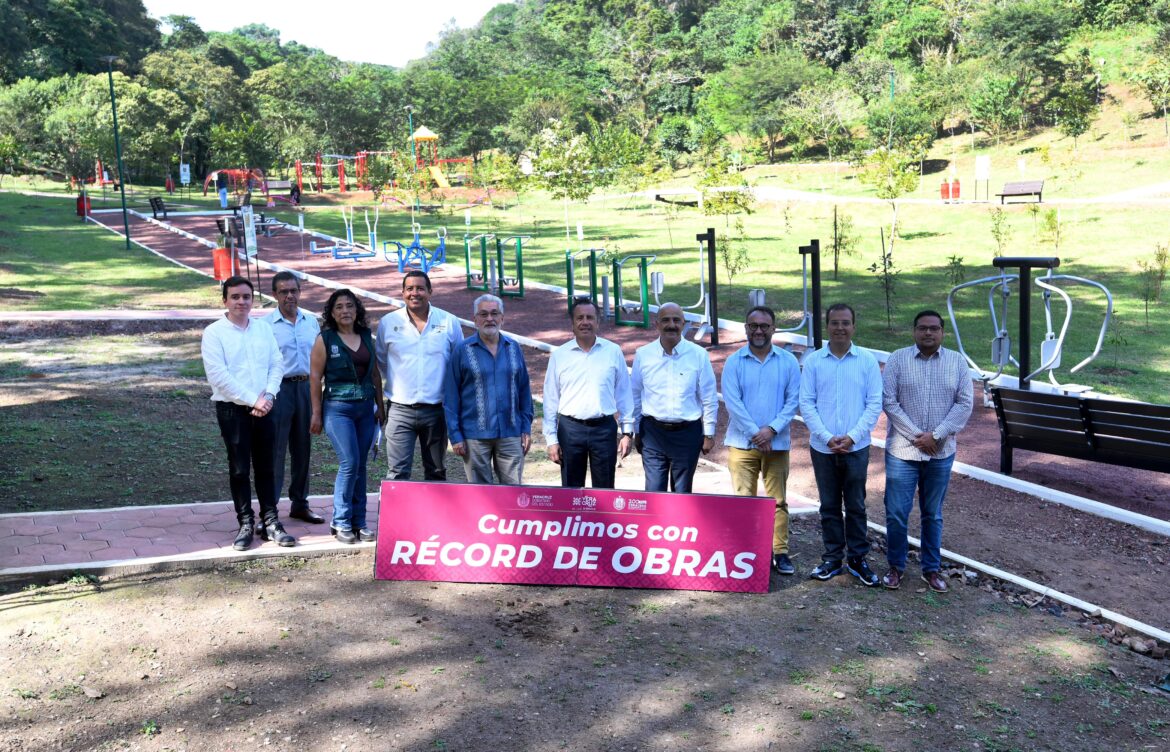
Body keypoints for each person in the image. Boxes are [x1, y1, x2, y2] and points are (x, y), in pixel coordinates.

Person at [881, 310, 974, 593]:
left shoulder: (957, 362)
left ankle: (931, 569)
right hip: (903, 451)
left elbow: (964, 403)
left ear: (942, 332)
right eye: (922, 328)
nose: (928, 333)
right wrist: (918, 437)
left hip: (941, 453)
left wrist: (936, 435)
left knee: (932, 513)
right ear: (914, 331)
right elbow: (889, 401)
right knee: (896, 512)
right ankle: (895, 566)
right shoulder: (898, 359)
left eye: (934, 329)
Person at [200, 275, 295, 551]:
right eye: (235, 297)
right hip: (233, 411)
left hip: (266, 408)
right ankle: (245, 522)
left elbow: (277, 363)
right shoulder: (214, 333)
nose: (241, 301)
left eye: (246, 297)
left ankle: (271, 521)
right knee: (240, 468)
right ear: (225, 300)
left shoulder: (263, 329)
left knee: (267, 466)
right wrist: (253, 399)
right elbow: (219, 376)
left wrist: (268, 395)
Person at [799, 303, 883, 586]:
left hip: (856, 448)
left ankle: (858, 558)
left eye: (845, 323)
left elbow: (874, 403)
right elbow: (806, 403)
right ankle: (833, 558)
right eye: (834, 323)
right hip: (823, 448)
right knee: (829, 505)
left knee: (856, 505)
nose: (840, 328)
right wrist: (826, 437)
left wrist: (852, 436)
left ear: (854, 326)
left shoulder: (867, 361)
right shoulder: (813, 361)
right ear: (827, 326)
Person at [721, 306, 800, 575]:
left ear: (773, 328)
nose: (758, 330)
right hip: (742, 444)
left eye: (764, 326)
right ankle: (749, 550)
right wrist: (757, 432)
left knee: (778, 501)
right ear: (745, 328)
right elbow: (732, 402)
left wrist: (772, 430)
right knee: (744, 501)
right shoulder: (734, 361)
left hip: (777, 444)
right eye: (753, 325)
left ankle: (780, 551)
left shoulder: (788, 361)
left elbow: (793, 400)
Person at [310, 289, 386, 544]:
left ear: (357, 310)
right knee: (349, 462)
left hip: (365, 408)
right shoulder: (325, 339)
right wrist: (317, 413)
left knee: (361, 464)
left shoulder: (366, 335)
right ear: (332, 313)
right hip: (338, 408)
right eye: (339, 307)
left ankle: (359, 521)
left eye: (349, 306)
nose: (345, 311)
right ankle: (340, 521)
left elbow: (375, 373)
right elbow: (314, 377)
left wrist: (380, 405)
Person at [375, 270, 464, 480]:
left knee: (436, 471)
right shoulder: (388, 322)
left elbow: (458, 363)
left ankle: (434, 514)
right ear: (402, 293)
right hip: (400, 410)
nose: (415, 293)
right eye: (409, 289)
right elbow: (382, 360)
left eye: (420, 288)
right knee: (397, 472)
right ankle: (397, 514)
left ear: (430, 292)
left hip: (437, 411)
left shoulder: (449, 322)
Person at [442, 294, 534, 484]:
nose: (489, 318)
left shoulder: (514, 348)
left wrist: (526, 427)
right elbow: (451, 397)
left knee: (513, 493)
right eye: (483, 314)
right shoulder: (462, 351)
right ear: (475, 320)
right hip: (474, 436)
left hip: (511, 432)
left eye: (494, 313)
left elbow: (524, 390)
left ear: (502, 318)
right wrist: (455, 435)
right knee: (480, 495)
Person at [543, 298, 634, 488]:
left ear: (598, 322)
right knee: (571, 490)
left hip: (604, 429)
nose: (585, 322)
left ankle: (604, 519)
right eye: (580, 318)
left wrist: (627, 433)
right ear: (573, 323)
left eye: (590, 317)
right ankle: (573, 519)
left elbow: (624, 394)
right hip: (570, 430)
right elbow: (551, 400)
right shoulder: (560, 355)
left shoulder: (613, 352)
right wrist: (551, 440)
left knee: (605, 488)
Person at [630, 302, 717, 493]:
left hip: (687, 434)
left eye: (676, 320)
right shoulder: (643, 355)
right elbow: (635, 395)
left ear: (683, 323)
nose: (672, 325)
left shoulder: (698, 355)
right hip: (652, 433)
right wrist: (636, 429)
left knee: (682, 494)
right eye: (666, 320)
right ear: (657, 324)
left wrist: (709, 434)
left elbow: (709, 397)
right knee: (653, 493)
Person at [266, 271, 324, 524]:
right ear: (275, 295)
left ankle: (300, 503)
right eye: (283, 291)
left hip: (306, 389)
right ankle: (270, 509)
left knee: (303, 449)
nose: (289, 296)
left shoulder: (311, 322)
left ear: (300, 292)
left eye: (293, 290)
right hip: (279, 390)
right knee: (275, 451)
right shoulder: (265, 325)